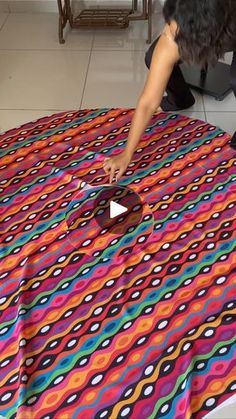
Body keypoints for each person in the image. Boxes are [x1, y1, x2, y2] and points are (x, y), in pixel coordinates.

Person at [103, 0, 236, 184]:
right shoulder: (174, 29)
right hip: (211, 26)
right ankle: (180, 99)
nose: (169, 33)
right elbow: (148, 101)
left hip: (229, 25)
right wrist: (126, 154)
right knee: (153, 56)